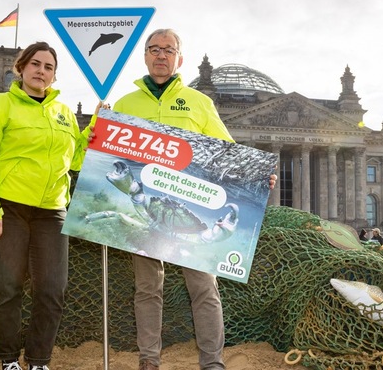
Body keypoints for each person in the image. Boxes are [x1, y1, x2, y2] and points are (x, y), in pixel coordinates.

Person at [101, 28, 276, 370]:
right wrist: (96, 129)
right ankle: (148, 360)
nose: (161, 55)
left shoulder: (200, 102)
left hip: (190, 209)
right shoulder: (124, 104)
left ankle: (212, 362)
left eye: (168, 49)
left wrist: (256, 177)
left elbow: (228, 153)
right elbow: (105, 156)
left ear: (180, 58)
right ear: (146, 55)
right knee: (147, 289)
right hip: (146, 203)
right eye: (154, 49)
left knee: (204, 289)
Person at [0, 41, 88, 370]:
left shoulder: (63, 114)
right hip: (9, 208)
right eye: (35, 64)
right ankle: (8, 360)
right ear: (20, 68)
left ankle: (38, 361)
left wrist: (92, 136)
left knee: (52, 289)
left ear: (54, 75)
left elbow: (74, 159)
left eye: (48, 67)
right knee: (8, 286)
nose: (41, 71)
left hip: (51, 210)